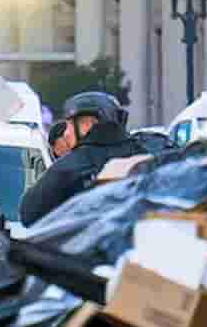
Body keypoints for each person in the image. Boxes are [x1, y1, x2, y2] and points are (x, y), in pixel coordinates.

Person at [19, 92, 144, 227]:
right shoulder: (145, 156)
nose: (65, 134)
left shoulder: (69, 167)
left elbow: (28, 213)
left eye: (68, 125)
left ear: (87, 124)